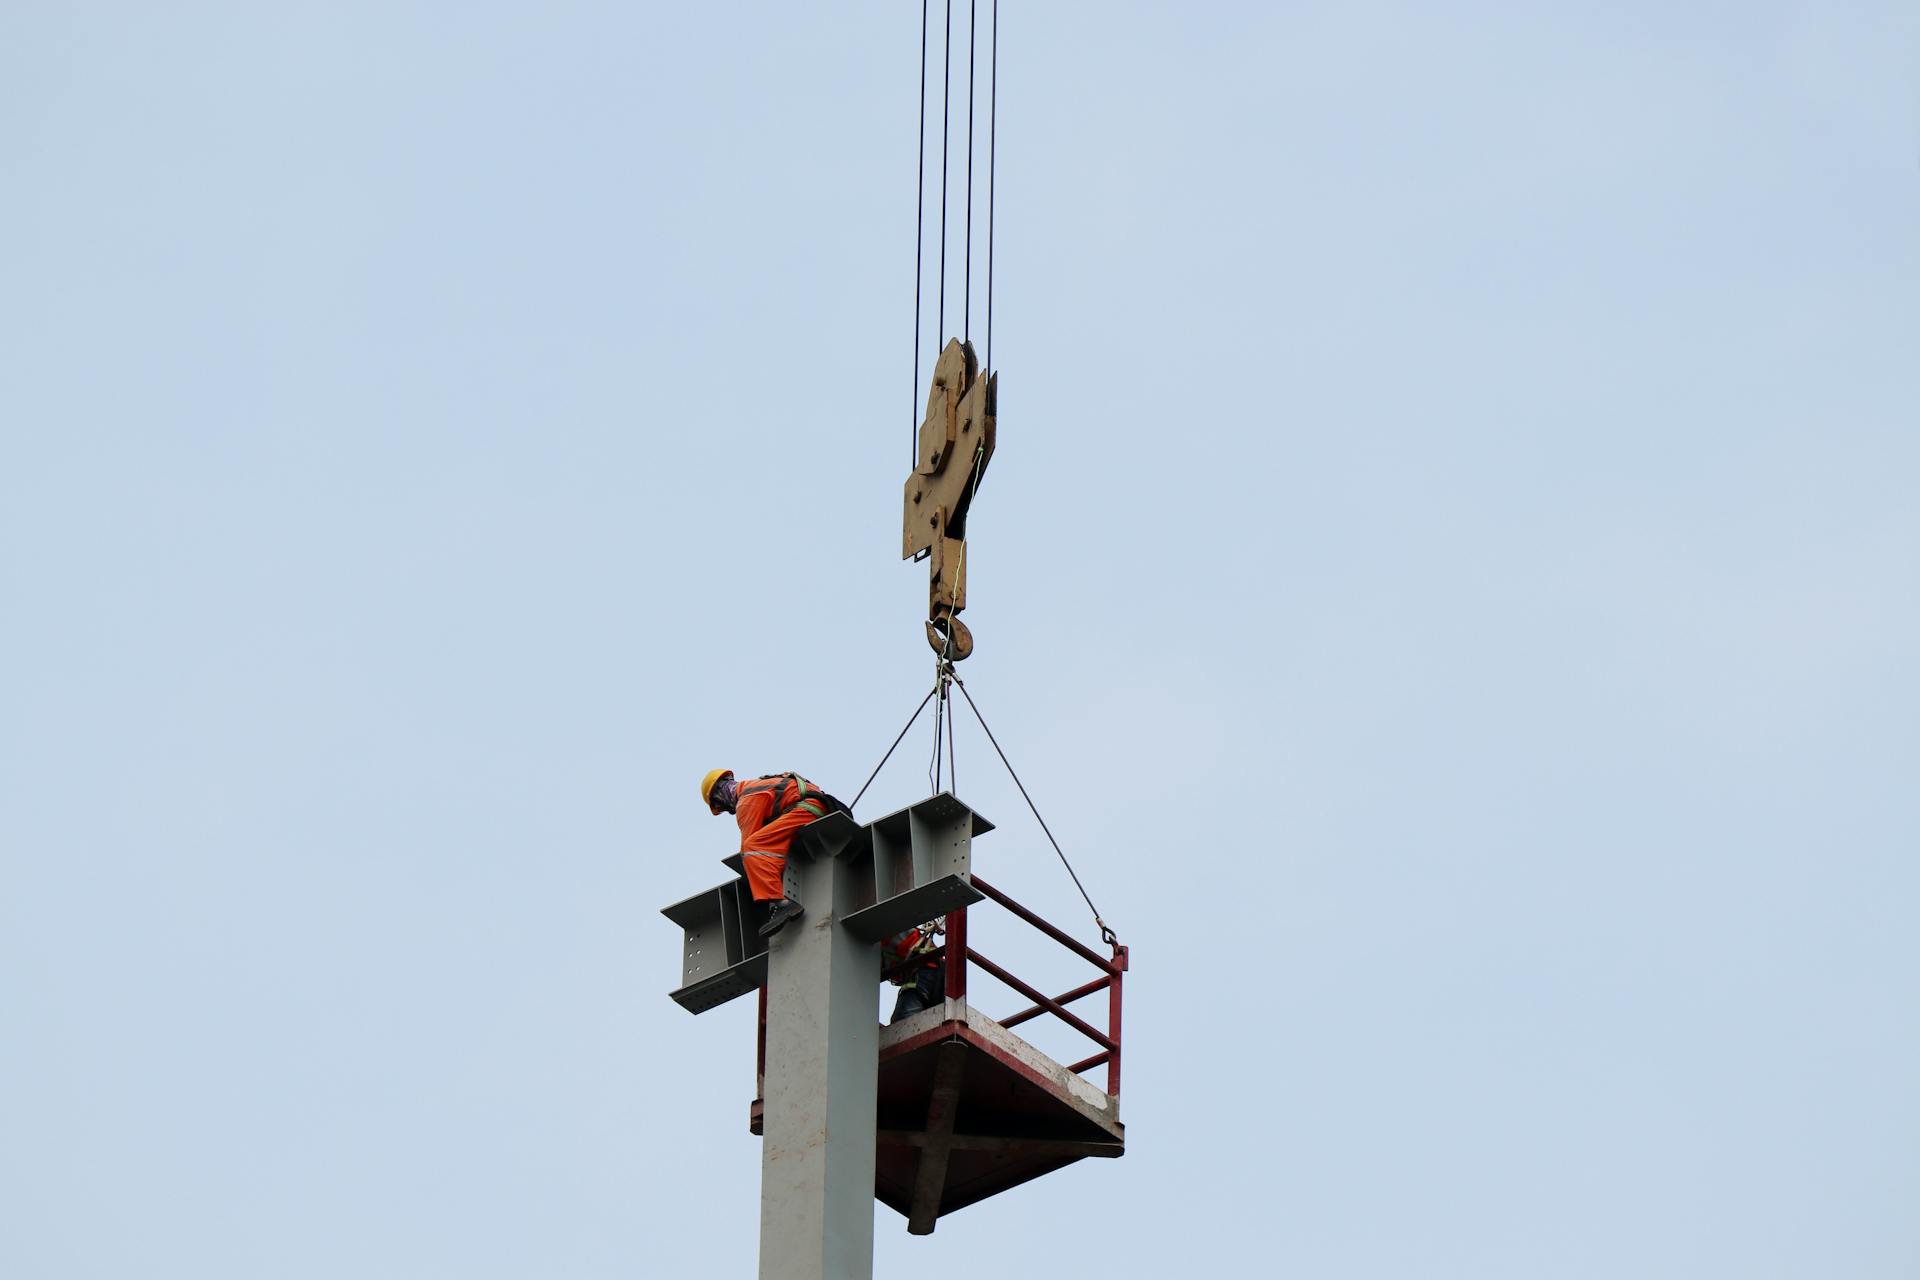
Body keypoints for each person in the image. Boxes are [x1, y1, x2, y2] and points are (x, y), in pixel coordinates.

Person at [700, 769, 842, 937]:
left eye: (719, 805)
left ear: (719, 794)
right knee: (759, 844)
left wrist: (757, 876)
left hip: (806, 810)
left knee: (751, 847)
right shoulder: (758, 785)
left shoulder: (746, 800)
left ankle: (780, 904)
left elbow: (749, 846)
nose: (727, 809)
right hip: (813, 807)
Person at [883, 922, 946, 1023]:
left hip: (924, 969)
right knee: (935, 1025)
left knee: (902, 1024)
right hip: (935, 970)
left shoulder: (880, 932)